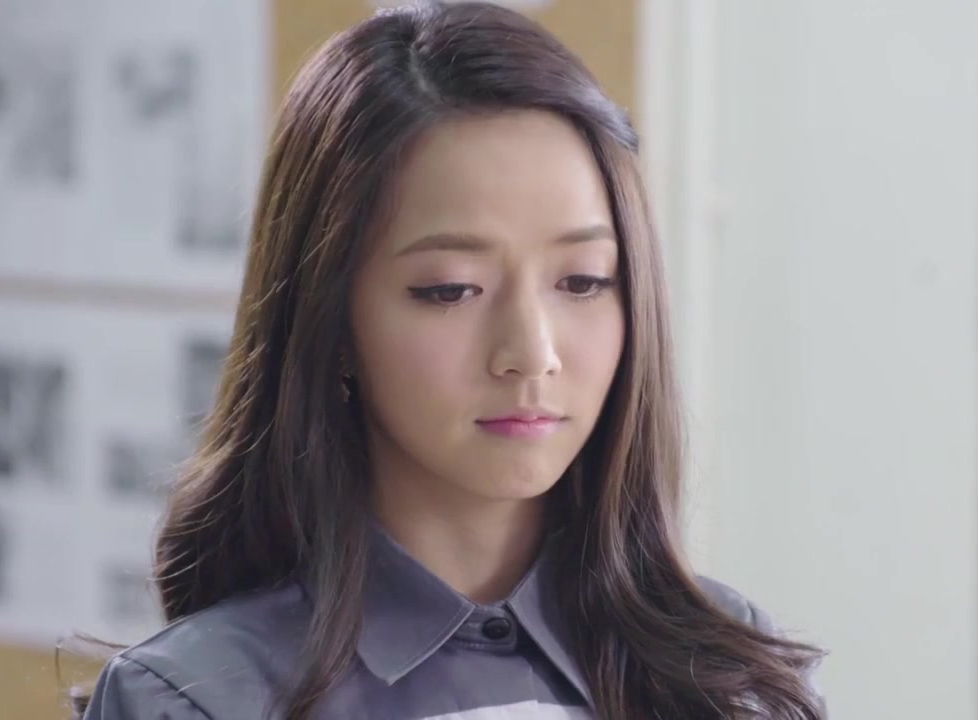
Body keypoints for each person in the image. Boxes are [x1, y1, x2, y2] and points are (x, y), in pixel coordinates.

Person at [78, 2, 825, 718]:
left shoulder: (732, 682)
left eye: (583, 281)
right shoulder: (193, 701)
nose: (531, 354)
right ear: (330, 320)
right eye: (450, 290)